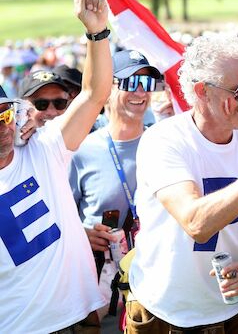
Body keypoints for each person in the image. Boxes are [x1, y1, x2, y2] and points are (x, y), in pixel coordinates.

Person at [126, 34, 238, 332]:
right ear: (202, 91)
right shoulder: (164, 140)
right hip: (162, 315)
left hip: (228, 314)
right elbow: (196, 223)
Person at [0, 0, 112, 332]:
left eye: (4, 113)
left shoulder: (43, 149)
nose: (3, 126)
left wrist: (97, 33)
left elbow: (93, 95)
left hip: (80, 319)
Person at [68, 49, 162, 317]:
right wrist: (83, 235)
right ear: (108, 89)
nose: (140, 93)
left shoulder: (164, 144)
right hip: (100, 289)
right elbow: (59, 218)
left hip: (156, 284)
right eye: (130, 83)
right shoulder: (80, 151)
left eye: (146, 84)